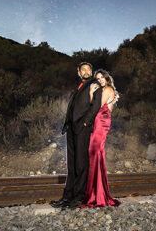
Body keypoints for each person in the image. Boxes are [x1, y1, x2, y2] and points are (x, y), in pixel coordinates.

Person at [51, 62, 103, 209]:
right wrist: (67, 124)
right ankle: (67, 198)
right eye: (83, 69)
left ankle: (79, 198)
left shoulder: (95, 84)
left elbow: (96, 106)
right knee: (72, 165)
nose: (86, 71)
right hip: (72, 128)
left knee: (81, 164)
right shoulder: (79, 86)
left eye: (88, 69)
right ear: (79, 72)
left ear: (91, 72)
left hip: (82, 128)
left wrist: (86, 123)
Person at [81, 69, 120, 208]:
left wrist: (91, 94)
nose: (101, 79)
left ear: (107, 78)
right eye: (98, 78)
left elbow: (96, 106)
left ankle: (97, 195)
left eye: (102, 77)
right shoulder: (102, 90)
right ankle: (95, 193)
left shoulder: (108, 89)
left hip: (101, 125)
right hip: (97, 124)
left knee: (95, 154)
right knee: (94, 156)